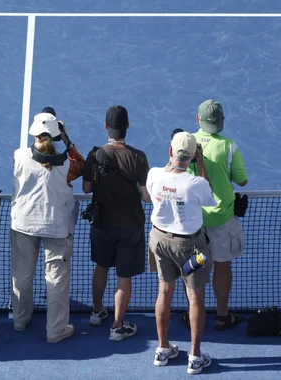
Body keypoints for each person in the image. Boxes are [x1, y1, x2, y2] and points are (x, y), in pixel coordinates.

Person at [146, 131, 217, 374]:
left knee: (164, 291)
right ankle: (195, 357)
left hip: (159, 241)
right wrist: (202, 164)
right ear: (194, 156)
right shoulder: (197, 183)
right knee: (195, 297)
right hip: (191, 248)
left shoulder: (154, 175)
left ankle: (163, 348)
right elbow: (210, 199)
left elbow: (164, 177)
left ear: (170, 152)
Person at [10, 111, 84, 343]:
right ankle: (55, 330)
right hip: (57, 227)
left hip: (23, 224)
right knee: (56, 280)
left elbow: (35, 159)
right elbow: (81, 165)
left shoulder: (18, 156)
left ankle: (20, 320)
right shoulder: (68, 165)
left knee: (22, 275)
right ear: (56, 135)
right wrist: (67, 140)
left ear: (34, 133)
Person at [81, 105, 151, 341]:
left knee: (101, 266)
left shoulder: (94, 156)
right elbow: (145, 195)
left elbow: (87, 188)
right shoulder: (139, 157)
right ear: (127, 127)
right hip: (130, 226)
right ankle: (118, 326)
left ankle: (96, 311)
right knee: (124, 276)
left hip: (102, 224)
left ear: (105, 127)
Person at [187, 100, 248, 331]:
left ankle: (193, 313)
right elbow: (242, 180)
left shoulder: (187, 143)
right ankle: (222, 315)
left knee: (197, 265)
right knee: (221, 264)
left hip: (195, 224)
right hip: (222, 221)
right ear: (222, 121)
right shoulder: (229, 146)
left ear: (197, 120)